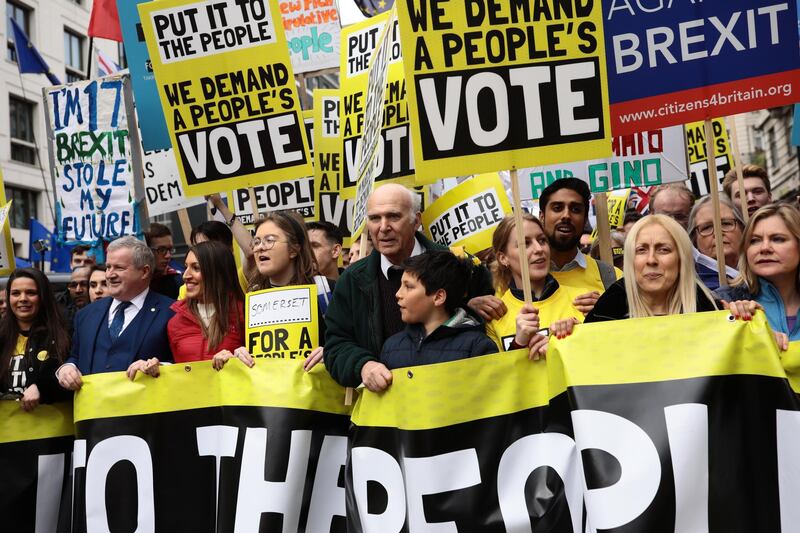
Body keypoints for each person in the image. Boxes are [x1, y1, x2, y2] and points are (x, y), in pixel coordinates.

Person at [324, 184, 494, 391]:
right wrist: (363, 366)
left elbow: (492, 330)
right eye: (375, 218)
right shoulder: (352, 280)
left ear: (417, 220)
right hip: (387, 410)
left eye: (394, 216)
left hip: (457, 401)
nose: (383, 227)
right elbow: (336, 345)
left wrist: (468, 308)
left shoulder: (460, 265)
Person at [544, 215, 721, 348]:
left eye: (663, 249)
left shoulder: (713, 313)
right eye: (641, 250)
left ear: (681, 258)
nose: (651, 260)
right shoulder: (607, 312)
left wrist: (741, 316)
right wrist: (572, 336)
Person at [56, 236, 175, 390]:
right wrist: (67, 368)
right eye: (108, 267)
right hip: (93, 412)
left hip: (144, 410)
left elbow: (185, 365)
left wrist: (160, 367)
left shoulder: (171, 312)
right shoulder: (86, 315)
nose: (109, 275)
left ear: (144, 271)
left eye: (119, 268)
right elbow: (76, 356)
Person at [222, 211, 333, 371]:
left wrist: (332, 352)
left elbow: (351, 343)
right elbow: (251, 353)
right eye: (257, 242)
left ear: (294, 250)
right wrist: (239, 354)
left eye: (269, 241)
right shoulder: (252, 298)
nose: (260, 248)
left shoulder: (325, 290)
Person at [486, 215, 585, 357]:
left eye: (542, 240)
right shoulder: (495, 316)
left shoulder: (582, 300)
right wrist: (518, 344)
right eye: (525, 244)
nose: (539, 249)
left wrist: (576, 339)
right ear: (503, 258)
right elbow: (500, 377)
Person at [379, 251, 498, 370]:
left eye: (409, 287)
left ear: (439, 297)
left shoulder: (477, 347)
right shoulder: (392, 347)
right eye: (401, 285)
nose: (398, 294)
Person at [715, 204, 800, 343]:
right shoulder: (725, 302)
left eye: (778, 239)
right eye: (754, 241)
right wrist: (734, 323)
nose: (764, 248)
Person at [537, 178, 621, 315]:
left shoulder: (611, 277)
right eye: (557, 208)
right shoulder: (517, 279)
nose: (566, 216)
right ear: (542, 216)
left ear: (585, 218)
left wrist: (609, 311)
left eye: (575, 209)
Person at [0, 269, 70, 410]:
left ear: (43, 297)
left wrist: (41, 388)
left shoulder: (65, 333)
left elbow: (72, 376)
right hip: (8, 429)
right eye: (16, 293)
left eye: (31, 293)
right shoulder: (2, 336)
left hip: (54, 429)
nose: (23, 298)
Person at [166, 242, 245, 366]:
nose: (186, 275)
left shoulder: (245, 314)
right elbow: (175, 370)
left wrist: (238, 361)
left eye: (196, 268)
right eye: (186, 267)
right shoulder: (175, 322)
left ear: (218, 273)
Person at [687, 195, 744, 290]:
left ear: (742, 228)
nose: (718, 233)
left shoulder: (767, 272)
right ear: (694, 240)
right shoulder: (695, 292)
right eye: (706, 227)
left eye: (726, 223)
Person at [146, 223, 182, 299]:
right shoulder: (134, 284)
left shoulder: (178, 281)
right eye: (161, 250)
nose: (168, 255)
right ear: (146, 250)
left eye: (170, 249)